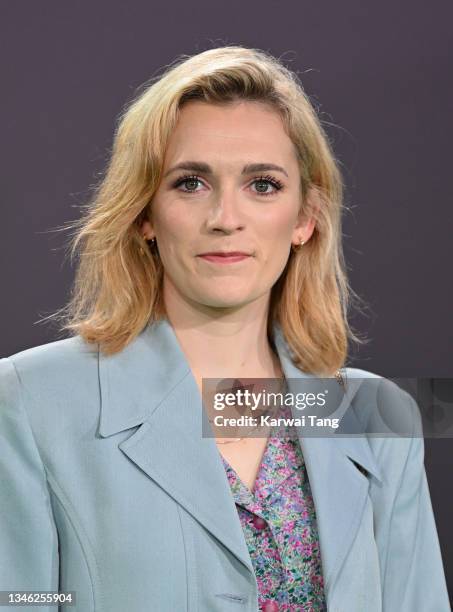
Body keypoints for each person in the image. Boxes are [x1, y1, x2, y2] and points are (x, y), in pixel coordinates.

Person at [0, 45, 450, 612]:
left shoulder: (377, 415)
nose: (225, 218)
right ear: (144, 213)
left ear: (306, 216)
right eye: (191, 183)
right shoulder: (28, 402)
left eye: (262, 184)